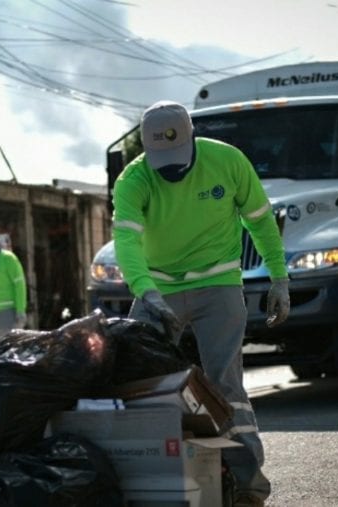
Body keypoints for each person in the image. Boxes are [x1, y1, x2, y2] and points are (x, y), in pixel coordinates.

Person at [112, 100, 290, 507]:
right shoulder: (134, 179)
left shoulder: (227, 161)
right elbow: (126, 241)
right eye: (162, 160)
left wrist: (279, 277)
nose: (172, 170)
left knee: (227, 386)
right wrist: (147, 291)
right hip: (157, 290)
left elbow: (260, 220)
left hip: (219, 284)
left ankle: (249, 487)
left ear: (192, 137)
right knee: (139, 385)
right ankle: (150, 484)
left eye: (178, 157)